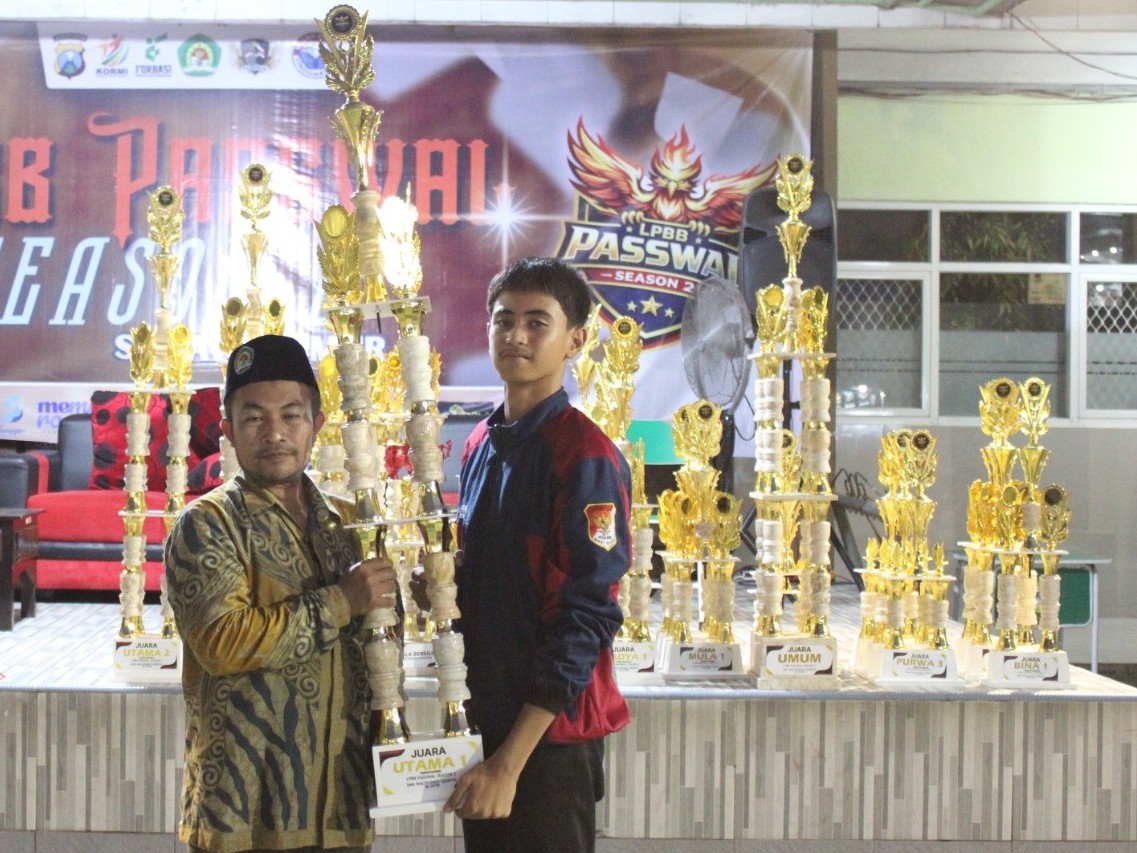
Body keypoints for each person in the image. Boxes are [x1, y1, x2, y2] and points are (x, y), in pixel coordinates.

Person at [165, 334, 399, 853]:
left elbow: (380, 642)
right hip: (245, 814)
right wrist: (341, 602)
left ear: (317, 423)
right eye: (254, 417)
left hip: (343, 808)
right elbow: (223, 642)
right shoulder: (208, 524)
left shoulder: (349, 523)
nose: (274, 433)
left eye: (291, 415)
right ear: (228, 430)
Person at [444, 256, 632, 852]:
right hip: (488, 715)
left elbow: (587, 616)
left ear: (575, 340)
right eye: (504, 321)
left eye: (536, 323)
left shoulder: (585, 456)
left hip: (547, 737)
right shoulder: (480, 442)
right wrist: (445, 586)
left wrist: (509, 763)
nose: (516, 336)